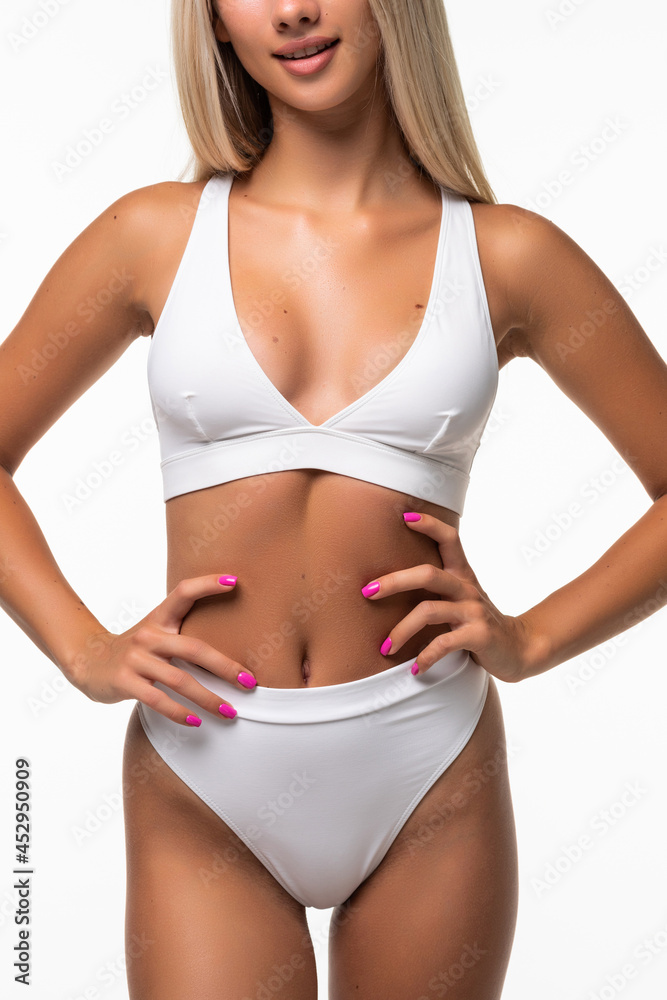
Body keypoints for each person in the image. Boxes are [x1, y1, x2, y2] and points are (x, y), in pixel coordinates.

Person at [2, 1, 666, 997]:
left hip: (427, 766)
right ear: (217, 22)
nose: (295, 10)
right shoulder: (151, 236)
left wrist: (528, 640)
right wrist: (83, 648)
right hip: (203, 770)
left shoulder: (508, 256)